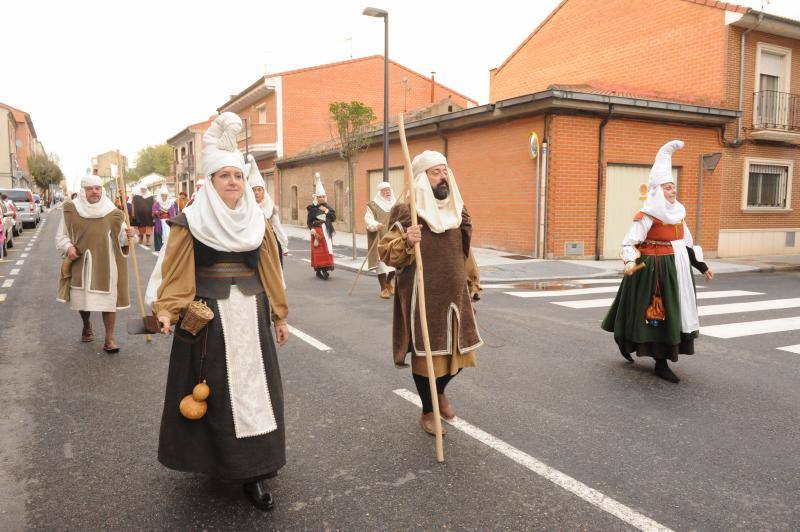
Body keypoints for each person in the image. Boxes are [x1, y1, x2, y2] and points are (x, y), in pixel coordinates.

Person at [149, 112, 289, 512]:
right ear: (209, 183)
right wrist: (167, 311)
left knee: (256, 393)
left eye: (238, 176)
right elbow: (175, 271)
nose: (232, 182)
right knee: (216, 392)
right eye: (224, 176)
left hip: (251, 314)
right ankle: (216, 460)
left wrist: (279, 315)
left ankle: (256, 473)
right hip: (208, 318)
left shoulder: (256, 222)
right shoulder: (190, 221)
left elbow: (270, 271)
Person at [378, 150, 482, 435]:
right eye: (435, 172)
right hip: (422, 296)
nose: (443, 177)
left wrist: (473, 282)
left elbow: (465, 252)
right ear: (422, 178)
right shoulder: (406, 211)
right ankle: (428, 411)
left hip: (454, 292)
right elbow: (387, 254)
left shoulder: (458, 209)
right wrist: (407, 240)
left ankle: (439, 394)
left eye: (445, 170)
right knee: (426, 359)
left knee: (461, 356)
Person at [601, 140, 714, 383]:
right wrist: (630, 261)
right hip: (651, 272)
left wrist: (702, 266)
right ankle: (649, 356)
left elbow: (686, 243)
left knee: (671, 314)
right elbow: (629, 243)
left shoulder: (679, 215)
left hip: (675, 270)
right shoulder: (647, 215)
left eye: (674, 187)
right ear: (656, 191)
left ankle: (658, 356)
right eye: (668, 187)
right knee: (653, 315)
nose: (673, 191)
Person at [55, 174, 137, 353]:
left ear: (102, 190)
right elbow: (61, 237)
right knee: (84, 302)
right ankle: (86, 325)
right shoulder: (71, 209)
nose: (94, 191)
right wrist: (68, 247)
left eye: (98, 188)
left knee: (109, 302)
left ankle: (109, 339)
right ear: (83, 191)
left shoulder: (113, 212)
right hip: (81, 263)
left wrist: (129, 234)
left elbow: (122, 239)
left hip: (107, 264)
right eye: (90, 188)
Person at [247, 156, 289, 265]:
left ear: (263, 191)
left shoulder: (270, 207)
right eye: (253, 190)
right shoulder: (246, 207)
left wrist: (284, 245)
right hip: (252, 244)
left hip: (270, 242)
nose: (256, 192)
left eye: (259, 190)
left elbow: (277, 226)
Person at [365, 182, 397, 299]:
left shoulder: (396, 204)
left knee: (394, 264)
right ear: (380, 192)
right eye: (384, 191)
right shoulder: (372, 205)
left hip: (394, 238)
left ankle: (389, 283)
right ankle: (383, 288)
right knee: (382, 265)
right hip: (380, 238)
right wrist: (376, 225)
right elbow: (368, 219)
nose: (387, 192)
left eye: (388, 190)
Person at [306, 175, 336, 280]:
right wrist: (312, 229)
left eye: (323, 196)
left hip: (326, 231)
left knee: (327, 251)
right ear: (316, 197)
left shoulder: (328, 208)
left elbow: (333, 218)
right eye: (319, 197)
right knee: (318, 252)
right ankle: (319, 269)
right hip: (317, 232)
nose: (321, 198)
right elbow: (309, 222)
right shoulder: (312, 209)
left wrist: (326, 211)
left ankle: (326, 269)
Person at [151, 185, 178, 252]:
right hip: (159, 222)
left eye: (165, 195)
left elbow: (173, 213)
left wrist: (168, 212)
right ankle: (161, 248)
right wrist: (157, 212)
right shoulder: (157, 204)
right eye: (162, 195)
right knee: (160, 235)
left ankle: (169, 248)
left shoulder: (170, 204)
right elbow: (153, 212)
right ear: (160, 196)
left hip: (168, 222)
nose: (164, 197)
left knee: (168, 235)